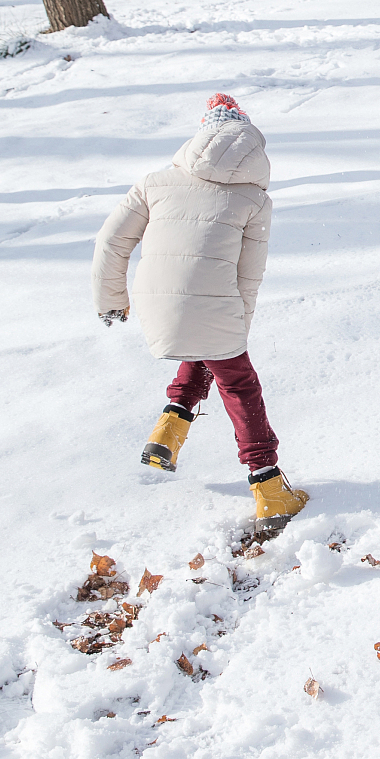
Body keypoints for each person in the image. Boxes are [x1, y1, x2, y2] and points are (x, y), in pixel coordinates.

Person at [93, 94, 308, 528]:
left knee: (204, 343)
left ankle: (167, 436)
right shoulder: (254, 200)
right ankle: (268, 486)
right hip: (215, 305)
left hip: (155, 303)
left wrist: (112, 300)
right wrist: (237, 328)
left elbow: (111, 241)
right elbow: (249, 277)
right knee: (239, 382)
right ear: (251, 143)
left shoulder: (154, 182)